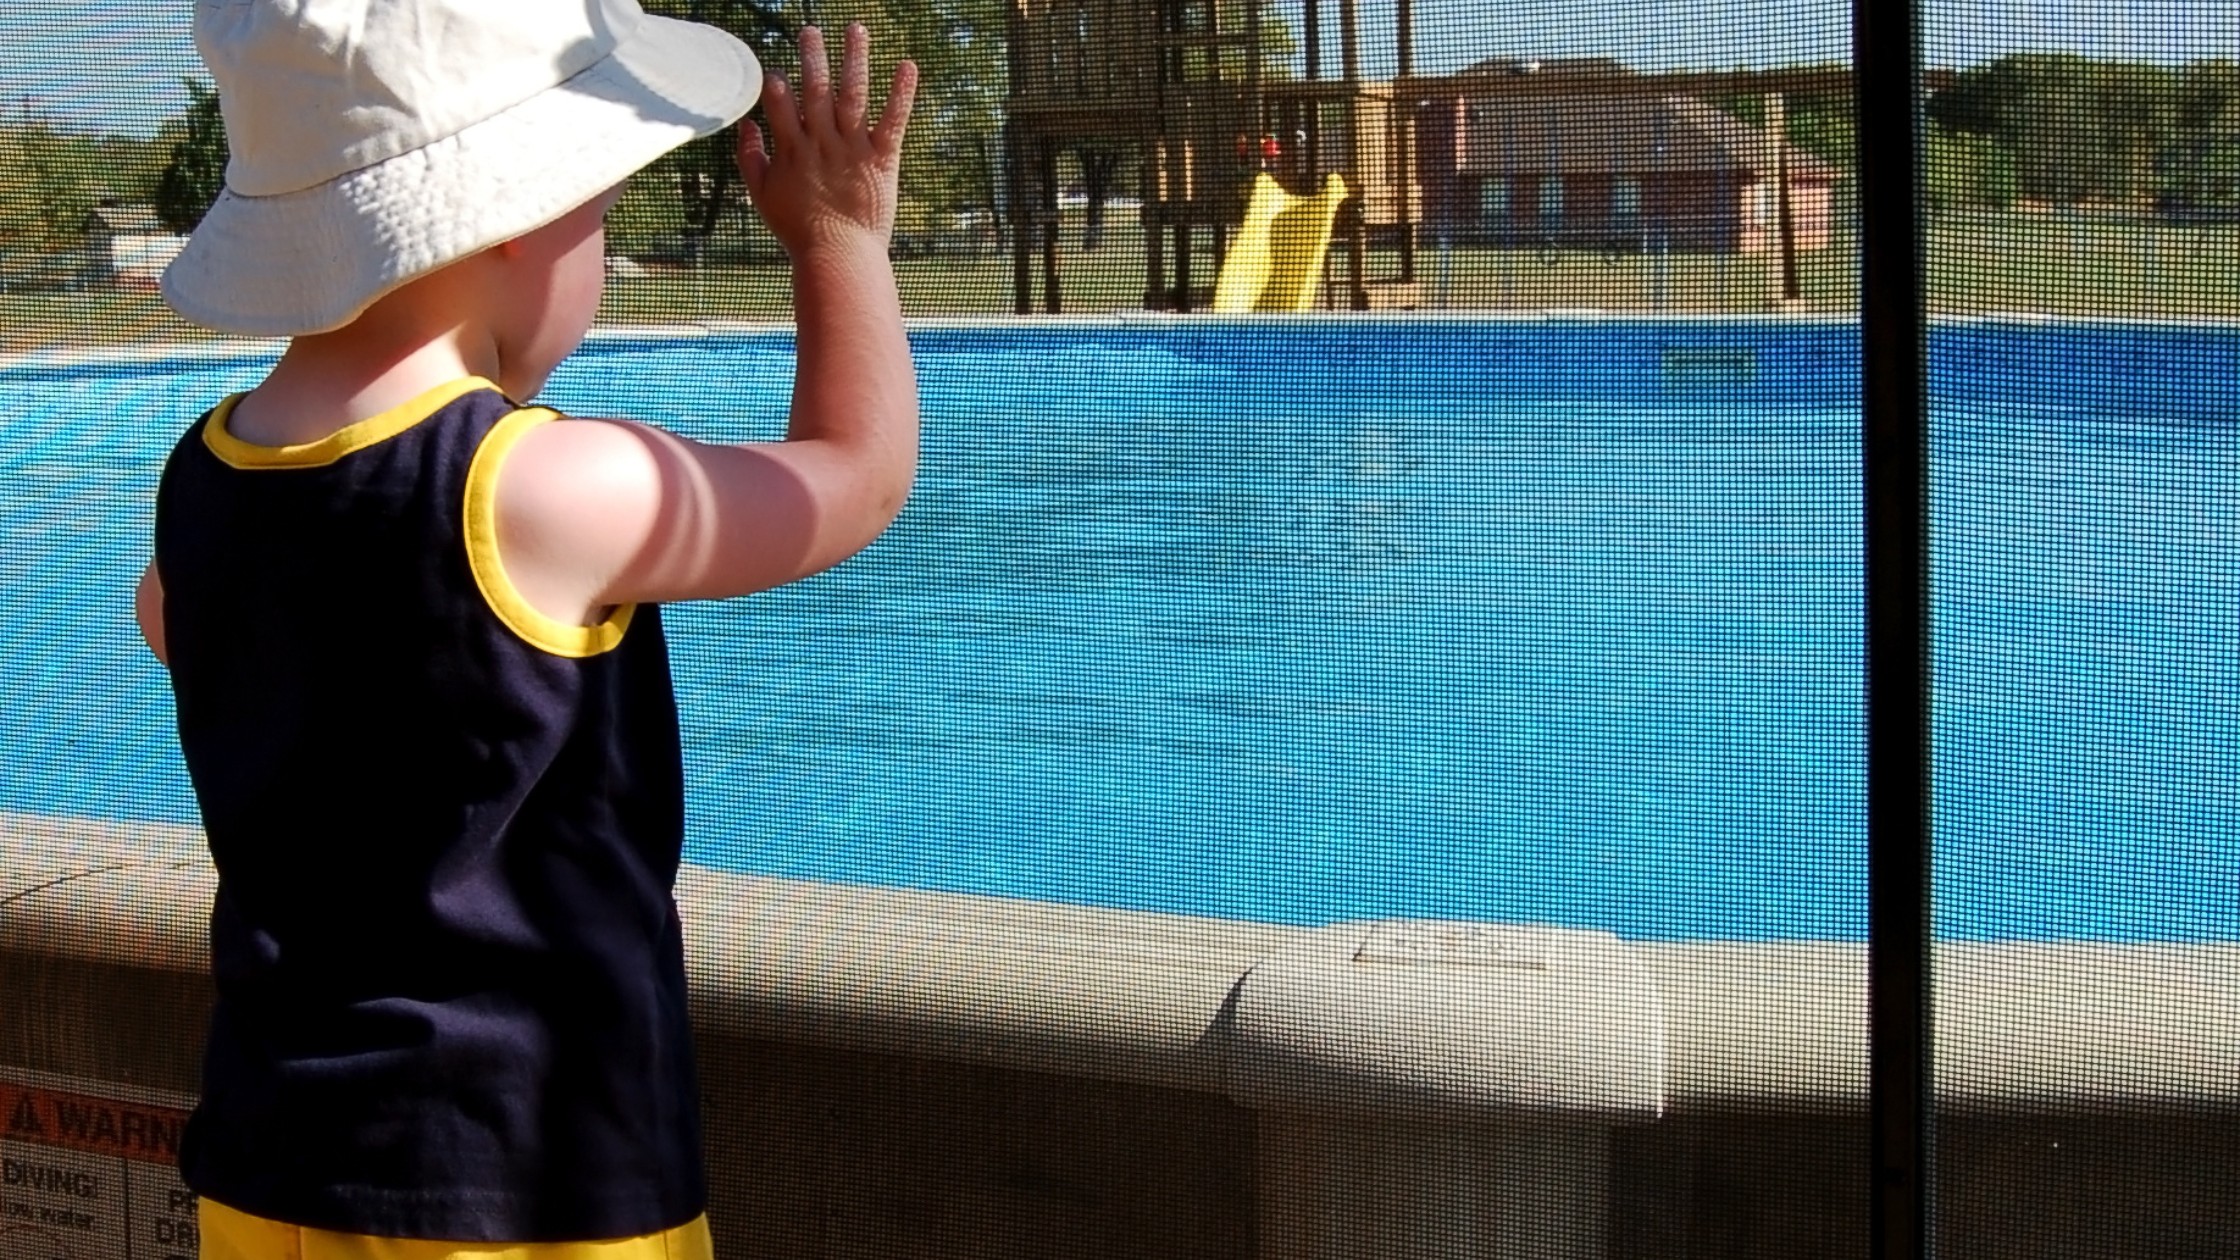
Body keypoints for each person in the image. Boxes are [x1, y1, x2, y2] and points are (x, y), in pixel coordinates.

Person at [131, 1, 918, 1256]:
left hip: (269, 1164)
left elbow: (171, 623)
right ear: (513, 221)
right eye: (596, 219)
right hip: (533, 1185)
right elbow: (856, 474)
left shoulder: (201, 486)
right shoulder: (545, 490)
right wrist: (839, 243)